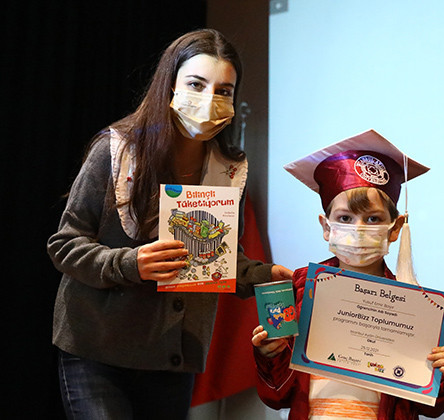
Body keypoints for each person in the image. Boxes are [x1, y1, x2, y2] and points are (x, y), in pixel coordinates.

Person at [47, 28, 292, 420]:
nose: (209, 99)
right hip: (97, 349)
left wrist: (265, 276)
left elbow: (218, 258)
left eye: (224, 91)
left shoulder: (229, 169)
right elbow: (64, 244)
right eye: (196, 84)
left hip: (173, 355)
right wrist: (131, 263)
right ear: (170, 85)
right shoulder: (117, 151)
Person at [251, 130, 444, 420]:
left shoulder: (417, 309)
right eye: (345, 218)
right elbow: (277, 396)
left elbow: (429, 405)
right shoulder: (300, 292)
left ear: (395, 228)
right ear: (326, 226)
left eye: (373, 219)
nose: (358, 229)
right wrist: (271, 354)